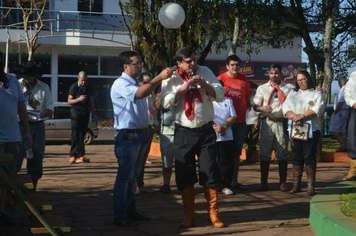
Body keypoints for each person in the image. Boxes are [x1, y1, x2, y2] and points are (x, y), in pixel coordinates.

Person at [161, 47, 225, 228]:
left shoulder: (206, 72)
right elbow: (165, 103)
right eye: (188, 61)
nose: (193, 64)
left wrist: (205, 85)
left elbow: (220, 95)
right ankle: (189, 214)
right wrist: (183, 88)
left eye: (194, 60)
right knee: (184, 173)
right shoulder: (171, 77)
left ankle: (213, 213)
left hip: (206, 131)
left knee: (211, 171)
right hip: (183, 131)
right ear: (179, 63)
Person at [110, 51, 173, 228]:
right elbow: (139, 94)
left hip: (139, 134)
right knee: (125, 177)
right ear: (126, 66)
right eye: (136, 64)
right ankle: (120, 215)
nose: (140, 66)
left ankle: (130, 211)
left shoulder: (134, 83)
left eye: (140, 63)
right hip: (128, 136)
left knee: (132, 177)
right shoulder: (121, 83)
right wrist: (159, 77)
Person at [0, 51, 32, 225]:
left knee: (8, 178)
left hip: (13, 137)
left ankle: (2, 210)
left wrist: (27, 132)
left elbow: (21, 107)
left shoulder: (12, 81)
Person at [282, 70, 325, 195]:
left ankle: (310, 186)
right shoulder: (293, 94)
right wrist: (294, 117)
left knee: (309, 156)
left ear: (308, 79)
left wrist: (302, 116)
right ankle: (296, 185)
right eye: (299, 80)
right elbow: (285, 108)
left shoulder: (316, 93)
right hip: (296, 128)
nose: (301, 82)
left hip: (312, 129)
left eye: (303, 79)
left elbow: (319, 108)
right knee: (297, 157)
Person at [253, 63, 293, 191]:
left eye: (276, 73)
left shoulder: (289, 88)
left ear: (281, 73)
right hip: (267, 122)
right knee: (264, 153)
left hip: (282, 122)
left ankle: (282, 182)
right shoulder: (262, 88)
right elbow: (255, 105)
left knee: (282, 152)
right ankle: (263, 182)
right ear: (268, 74)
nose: (274, 75)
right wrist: (261, 108)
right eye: (271, 73)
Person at [15, 61, 54, 192]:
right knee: (16, 156)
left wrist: (44, 113)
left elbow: (50, 108)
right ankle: (9, 191)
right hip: (19, 125)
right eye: (26, 77)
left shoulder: (44, 87)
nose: (28, 80)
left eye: (31, 77)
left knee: (36, 157)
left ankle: (32, 189)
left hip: (37, 125)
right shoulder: (16, 86)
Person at [217, 55, 250, 190]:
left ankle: (234, 181)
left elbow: (247, 99)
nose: (235, 67)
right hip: (222, 123)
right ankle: (221, 181)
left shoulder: (244, 80)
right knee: (222, 153)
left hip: (240, 121)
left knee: (236, 152)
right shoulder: (220, 79)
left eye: (237, 65)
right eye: (232, 65)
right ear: (227, 66)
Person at [136, 72, 159, 193]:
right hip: (138, 129)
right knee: (134, 158)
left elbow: (153, 112)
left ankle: (140, 184)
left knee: (143, 158)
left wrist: (155, 126)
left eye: (151, 83)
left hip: (149, 128)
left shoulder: (151, 96)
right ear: (140, 83)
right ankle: (132, 183)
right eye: (146, 83)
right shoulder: (137, 96)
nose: (148, 86)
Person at [212, 80, 236, 195]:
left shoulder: (228, 101)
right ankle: (214, 184)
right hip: (211, 137)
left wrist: (224, 126)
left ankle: (226, 185)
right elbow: (204, 117)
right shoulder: (206, 102)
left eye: (219, 88)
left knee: (226, 162)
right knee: (212, 162)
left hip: (226, 136)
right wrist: (216, 128)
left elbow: (233, 116)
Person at [67, 71, 96, 164]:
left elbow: (91, 101)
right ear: (78, 78)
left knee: (82, 134)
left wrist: (93, 114)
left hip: (85, 113)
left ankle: (81, 155)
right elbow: (69, 101)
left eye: (85, 80)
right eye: (82, 80)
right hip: (76, 113)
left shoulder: (89, 87)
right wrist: (79, 99)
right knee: (75, 134)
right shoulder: (74, 87)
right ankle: (72, 155)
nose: (84, 82)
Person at [154, 89, 174, 194]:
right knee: (166, 160)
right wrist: (161, 94)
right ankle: (166, 184)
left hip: (183, 130)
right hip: (167, 131)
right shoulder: (162, 90)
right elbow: (156, 107)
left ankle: (184, 184)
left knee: (183, 161)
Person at [329, 75, 348, 152]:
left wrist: (336, 111)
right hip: (345, 111)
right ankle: (344, 146)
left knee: (334, 130)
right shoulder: (347, 89)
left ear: (339, 82)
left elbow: (340, 102)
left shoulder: (342, 90)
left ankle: (343, 145)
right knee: (342, 130)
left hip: (340, 111)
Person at [343, 71, 356, 181]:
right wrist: (353, 103)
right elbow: (347, 92)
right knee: (353, 138)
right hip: (355, 110)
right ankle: (354, 170)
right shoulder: (354, 75)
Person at [244, 81, 260, 164]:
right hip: (245, 120)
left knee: (253, 139)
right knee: (244, 137)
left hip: (254, 120)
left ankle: (248, 159)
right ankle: (252, 148)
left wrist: (257, 120)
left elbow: (258, 109)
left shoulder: (256, 96)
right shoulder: (243, 96)